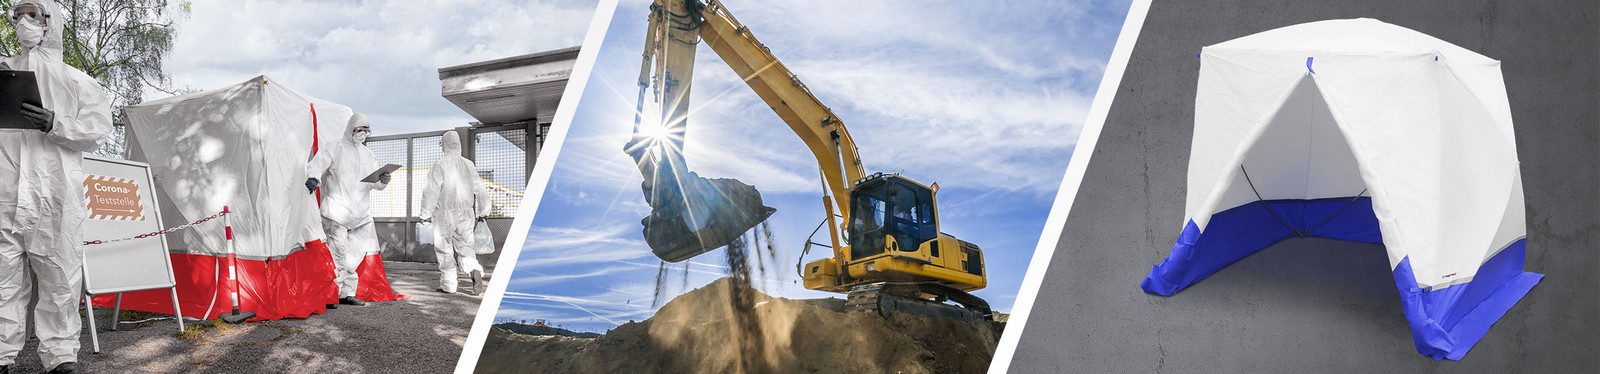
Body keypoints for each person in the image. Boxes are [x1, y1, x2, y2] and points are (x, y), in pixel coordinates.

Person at [0, 1, 113, 373]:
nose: (21, 22)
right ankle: (2, 355)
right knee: (3, 283)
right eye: (16, 15)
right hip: (5, 193)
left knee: (60, 278)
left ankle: (61, 357)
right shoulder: (3, 73)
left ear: (51, 20)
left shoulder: (79, 82)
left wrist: (56, 123)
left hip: (56, 196)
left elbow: (98, 131)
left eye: (30, 14)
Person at [305, 113, 390, 307]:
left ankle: (347, 293)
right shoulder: (334, 147)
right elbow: (317, 164)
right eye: (360, 130)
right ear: (351, 128)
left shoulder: (367, 155)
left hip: (361, 212)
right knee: (337, 253)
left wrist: (383, 182)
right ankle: (331, 293)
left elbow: (373, 184)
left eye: (366, 131)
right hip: (336, 211)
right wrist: (313, 178)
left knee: (354, 254)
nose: (363, 134)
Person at [420, 131, 490, 295]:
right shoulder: (469, 164)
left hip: (445, 213)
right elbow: (480, 188)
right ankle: (473, 269)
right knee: (465, 245)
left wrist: (425, 214)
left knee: (444, 248)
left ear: (444, 144)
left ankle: (449, 285)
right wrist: (484, 210)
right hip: (466, 213)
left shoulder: (441, 164)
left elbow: (431, 191)